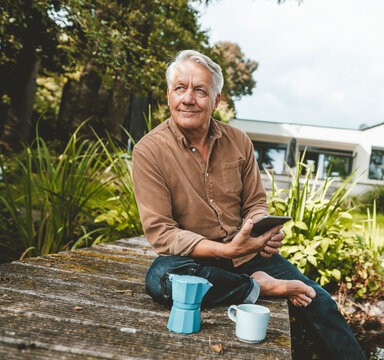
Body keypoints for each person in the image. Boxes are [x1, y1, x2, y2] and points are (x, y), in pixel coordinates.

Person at [132, 49, 366, 359]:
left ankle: (255, 283)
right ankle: (260, 288)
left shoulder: (239, 140)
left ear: (217, 100)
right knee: (160, 276)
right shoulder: (149, 151)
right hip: (197, 261)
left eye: (200, 90)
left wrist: (262, 231)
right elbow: (163, 234)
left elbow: (256, 202)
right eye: (180, 88)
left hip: (250, 256)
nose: (188, 98)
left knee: (320, 301)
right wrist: (225, 250)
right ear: (169, 95)